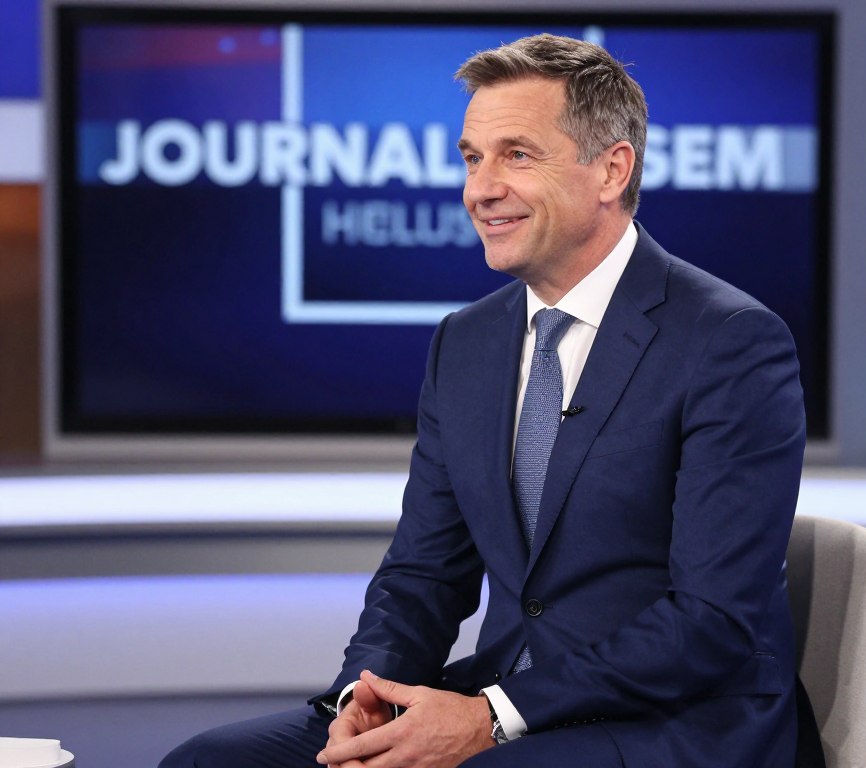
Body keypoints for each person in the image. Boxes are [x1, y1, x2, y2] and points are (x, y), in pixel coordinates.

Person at [161, 33, 810, 768]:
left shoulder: (729, 341)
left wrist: (490, 717)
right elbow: (422, 573)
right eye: (473, 158)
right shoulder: (466, 343)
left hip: (677, 724)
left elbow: (710, 623)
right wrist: (364, 694)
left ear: (611, 169)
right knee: (209, 762)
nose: (480, 188)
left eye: (517, 155)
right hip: (510, 701)